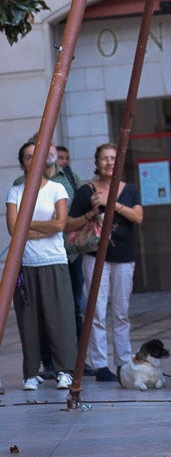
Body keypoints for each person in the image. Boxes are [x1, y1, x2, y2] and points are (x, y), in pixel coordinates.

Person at [66, 142, 142, 382]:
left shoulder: (130, 189)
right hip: (95, 256)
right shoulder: (85, 190)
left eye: (114, 158)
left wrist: (111, 203)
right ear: (97, 163)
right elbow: (69, 224)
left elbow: (138, 217)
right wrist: (92, 210)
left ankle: (123, 362)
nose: (110, 162)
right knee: (96, 312)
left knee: (121, 313)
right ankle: (100, 365)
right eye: (105, 158)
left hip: (124, 256)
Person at [6, 141, 77, 390]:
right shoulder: (16, 192)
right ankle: (30, 374)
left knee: (61, 318)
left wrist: (29, 226)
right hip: (25, 264)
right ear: (22, 163)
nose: (31, 160)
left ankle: (64, 371)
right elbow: (14, 229)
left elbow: (60, 224)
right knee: (29, 320)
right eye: (27, 156)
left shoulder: (57, 188)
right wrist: (37, 226)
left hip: (54, 261)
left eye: (35, 156)